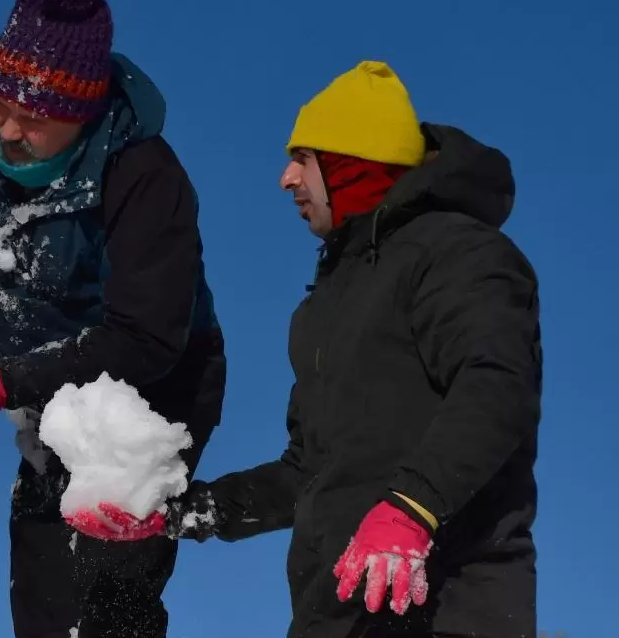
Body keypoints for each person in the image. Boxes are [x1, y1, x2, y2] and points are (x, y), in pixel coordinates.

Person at [66, 61, 542, 637]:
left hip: (447, 606)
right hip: (337, 613)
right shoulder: (326, 307)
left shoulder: (460, 254)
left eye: (304, 158)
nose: (286, 179)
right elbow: (308, 472)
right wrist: (187, 511)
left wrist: (414, 507)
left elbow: (496, 384)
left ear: (351, 162)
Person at [0, 0, 226, 638]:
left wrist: (5, 382)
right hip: (38, 385)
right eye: (2, 103)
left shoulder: (142, 175)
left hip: (149, 391)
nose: (10, 130)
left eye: (37, 115)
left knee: (107, 586)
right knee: (44, 586)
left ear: (82, 113)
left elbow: (148, 336)